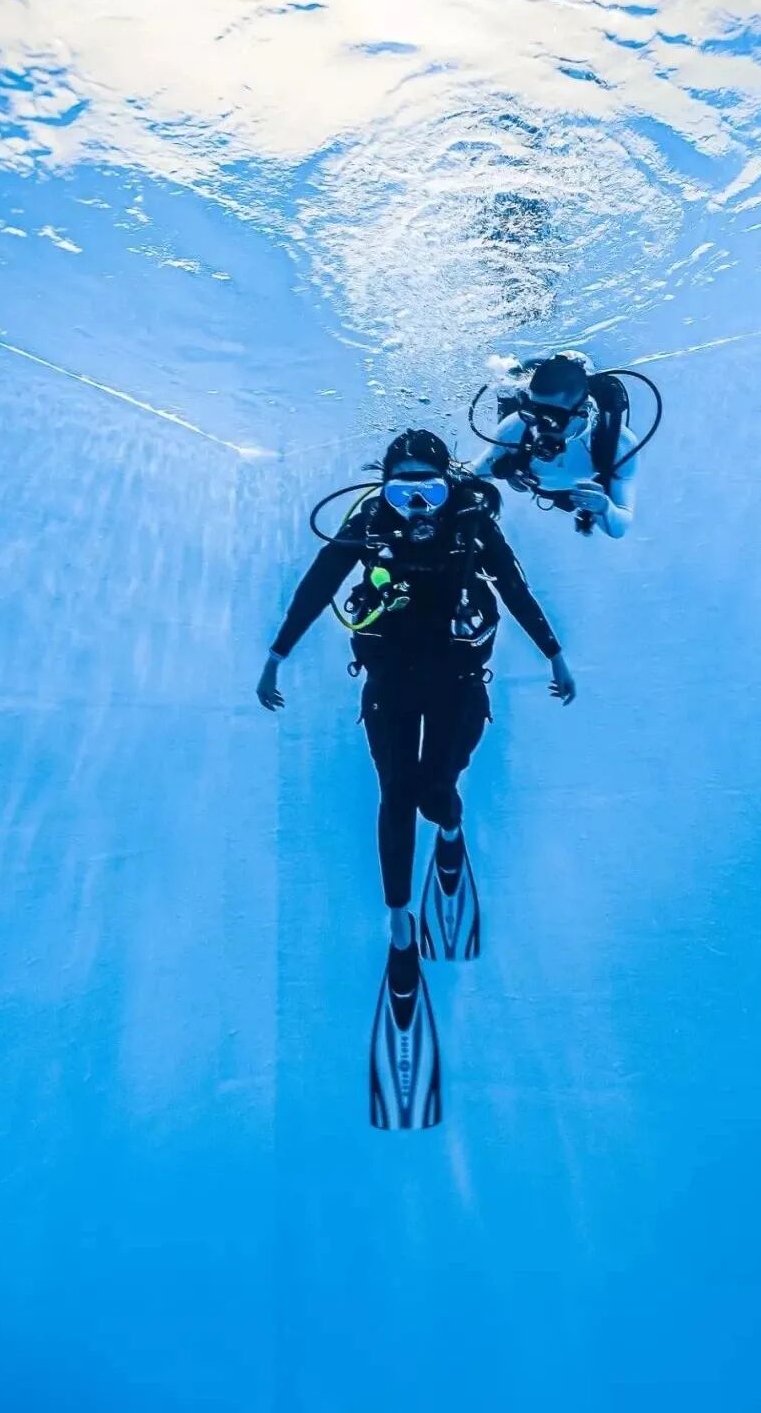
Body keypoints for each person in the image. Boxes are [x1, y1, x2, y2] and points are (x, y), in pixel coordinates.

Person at [256, 430, 575, 1098]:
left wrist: (553, 652)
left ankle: (451, 832)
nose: (417, 506)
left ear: (447, 483)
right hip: (389, 686)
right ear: (385, 488)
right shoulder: (370, 520)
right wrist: (277, 654)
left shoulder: (470, 520)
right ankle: (400, 927)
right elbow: (319, 584)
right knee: (397, 796)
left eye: (428, 489)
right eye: (403, 491)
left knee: (435, 794)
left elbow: (514, 587)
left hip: (459, 683)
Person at [472, 351, 640, 537]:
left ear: (583, 410)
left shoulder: (619, 444)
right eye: (533, 414)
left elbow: (619, 528)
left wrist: (604, 507)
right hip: (533, 480)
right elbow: (472, 477)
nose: (540, 428)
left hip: (574, 491)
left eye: (551, 420)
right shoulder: (515, 427)